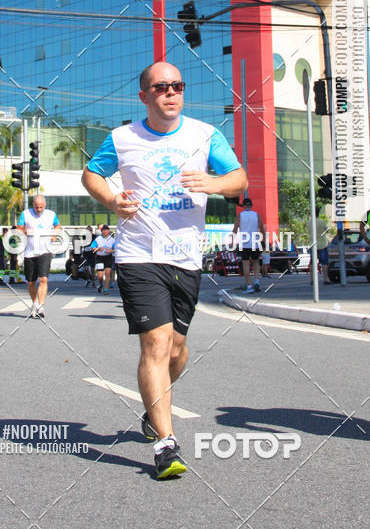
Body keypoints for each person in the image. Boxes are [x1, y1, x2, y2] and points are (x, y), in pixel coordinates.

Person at [81, 61, 247, 479]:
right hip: (138, 253)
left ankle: (153, 408)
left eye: (177, 86)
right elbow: (91, 175)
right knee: (155, 342)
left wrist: (217, 184)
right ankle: (166, 445)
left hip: (186, 255)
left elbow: (240, 179)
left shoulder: (205, 135)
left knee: (176, 349)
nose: (170, 93)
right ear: (145, 96)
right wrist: (113, 200)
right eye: (161, 87)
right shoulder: (122, 138)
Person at [18, 194, 60, 319]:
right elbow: (19, 228)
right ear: (33, 205)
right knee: (31, 282)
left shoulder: (51, 214)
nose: (39, 210)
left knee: (43, 280)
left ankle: (41, 305)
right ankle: (34, 303)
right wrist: (26, 232)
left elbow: (57, 225)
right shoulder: (25, 214)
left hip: (45, 251)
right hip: (30, 252)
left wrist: (54, 234)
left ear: (45, 205)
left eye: (41, 207)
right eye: (37, 207)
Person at [232, 198, 264, 293]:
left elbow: (235, 229)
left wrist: (232, 242)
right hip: (255, 242)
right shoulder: (257, 215)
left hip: (244, 243)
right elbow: (261, 228)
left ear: (243, 206)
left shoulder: (240, 216)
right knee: (256, 262)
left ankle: (249, 286)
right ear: (251, 205)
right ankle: (257, 280)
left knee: (245, 264)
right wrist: (263, 240)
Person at [91, 224, 115, 293]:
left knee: (107, 274)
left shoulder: (112, 240)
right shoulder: (98, 239)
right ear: (101, 232)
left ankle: (105, 290)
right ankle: (101, 284)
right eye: (103, 231)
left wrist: (109, 251)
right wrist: (98, 249)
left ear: (109, 232)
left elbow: (116, 250)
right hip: (99, 257)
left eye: (107, 230)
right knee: (100, 276)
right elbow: (92, 248)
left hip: (108, 257)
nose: (105, 232)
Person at [315, 206, 330, 284]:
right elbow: (327, 230)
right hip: (322, 244)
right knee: (324, 262)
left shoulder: (309, 222)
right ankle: (326, 279)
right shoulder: (322, 222)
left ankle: (312, 280)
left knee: (312, 262)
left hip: (313, 244)